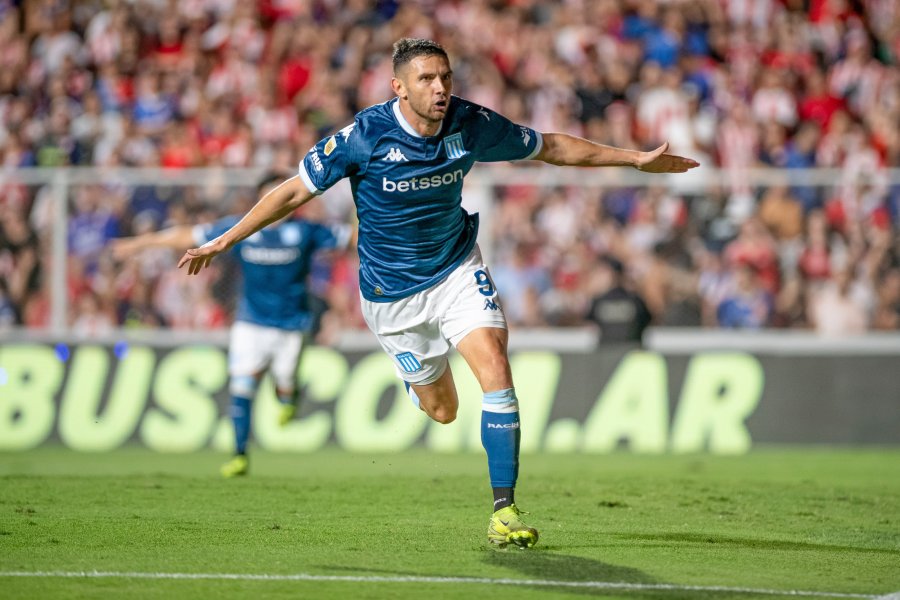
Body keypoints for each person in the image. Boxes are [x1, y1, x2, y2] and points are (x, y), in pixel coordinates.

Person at [177, 39, 698, 548]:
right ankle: (416, 381)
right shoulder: (364, 136)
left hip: (454, 268)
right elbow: (293, 190)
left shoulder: (471, 124)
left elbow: (550, 146)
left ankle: (503, 510)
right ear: (398, 88)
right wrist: (225, 240)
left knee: (494, 361)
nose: (440, 87)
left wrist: (633, 159)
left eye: (445, 76)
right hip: (391, 297)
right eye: (426, 79)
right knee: (443, 410)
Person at [112, 172, 352, 478]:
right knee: (242, 385)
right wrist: (144, 242)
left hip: (292, 325)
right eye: (268, 199)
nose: (274, 206)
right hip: (250, 322)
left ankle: (288, 396)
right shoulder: (241, 229)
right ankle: (239, 455)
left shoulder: (305, 231)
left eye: (280, 199)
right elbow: (189, 235)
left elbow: (348, 237)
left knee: (284, 386)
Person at [585, 256, 653, 345]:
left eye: (601, 273)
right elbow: (648, 319)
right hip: (630, 351)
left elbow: (587, 322)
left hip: (606, 352)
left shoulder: (598, 301)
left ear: (613, 275)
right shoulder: (635, 299)